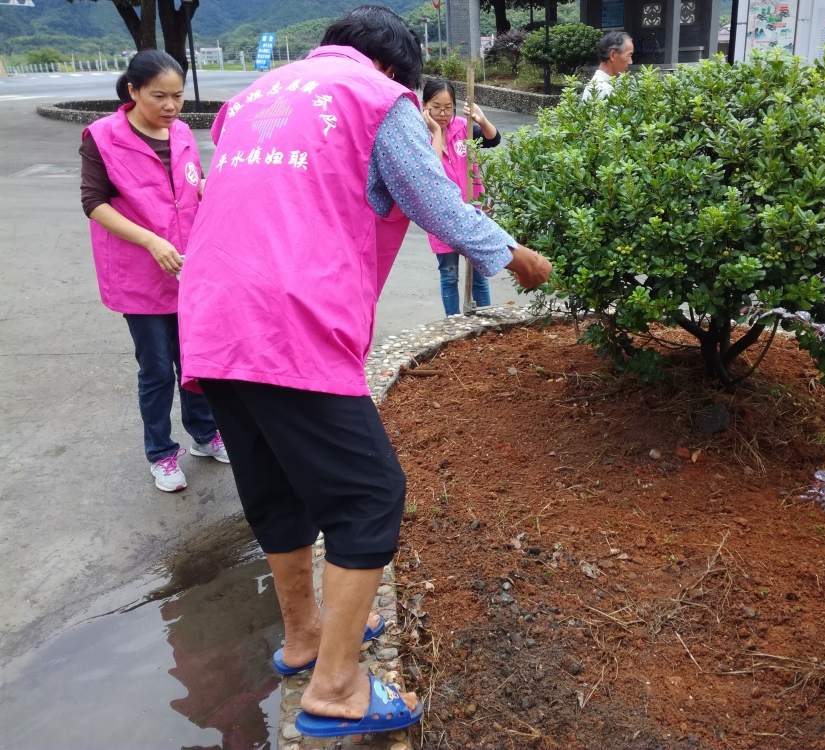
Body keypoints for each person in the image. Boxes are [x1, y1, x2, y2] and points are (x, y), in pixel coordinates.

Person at [177, 5, 551, 739]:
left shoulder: (252, 97)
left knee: (276, 486)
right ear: (396, 71)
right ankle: (338, 687)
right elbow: (432, 196)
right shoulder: (381, 99)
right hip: (291, 321)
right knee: (370, 497)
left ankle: (305, 637)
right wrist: (514, 254)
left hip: (211, 314)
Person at [79, 50, 228, 493]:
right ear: (132, 91)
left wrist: (208, 188)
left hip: (188, 269)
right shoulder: (102, 136)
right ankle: (162, 453)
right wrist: (149, 239)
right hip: (139, 275)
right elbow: (94, 203)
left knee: (196, 361)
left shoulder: (180, 131)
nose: (170, 106)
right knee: (158, 369)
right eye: (158, 96)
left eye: (177, 96)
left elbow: (190, 183)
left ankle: (203, 434)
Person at [422, 78, 501, 315]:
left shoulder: (464, 128)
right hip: (443, 217)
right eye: (436, 107)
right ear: (424, 105)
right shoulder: (418, 136)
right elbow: (432, 168)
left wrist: (481, 119)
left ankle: (484, 322)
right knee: (449, 275)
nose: (443, 113)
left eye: (448, 107)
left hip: (474, 213)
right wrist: (436, 131)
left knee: (479, 276)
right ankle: (452, 324)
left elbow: (493, 139)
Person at [583, 30, 634, 101]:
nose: (630, 62)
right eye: (629, 55)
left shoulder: (597, 85)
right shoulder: (605, 89)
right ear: (613, 55)